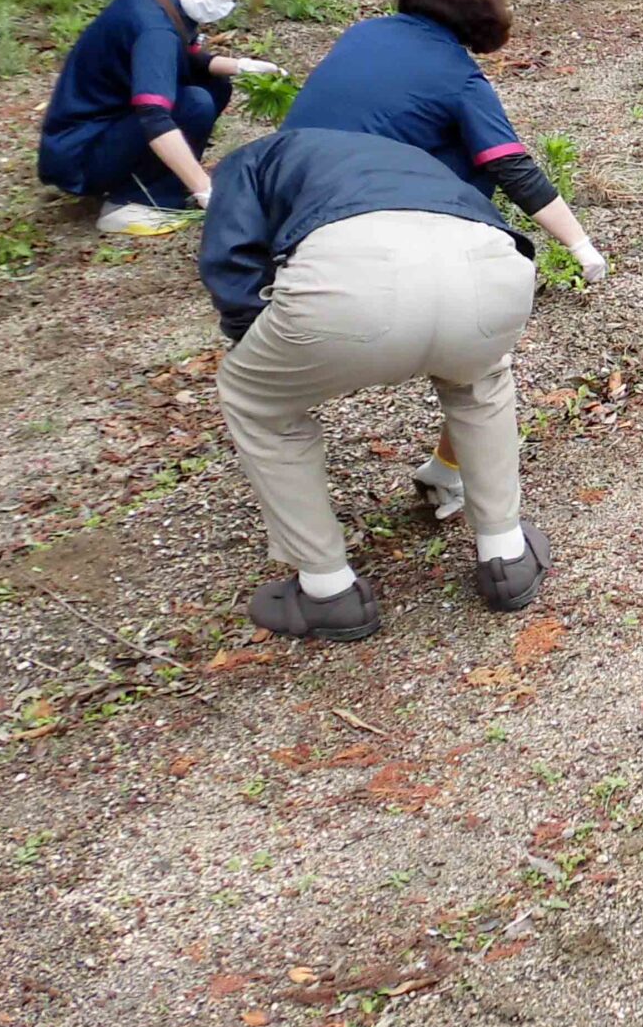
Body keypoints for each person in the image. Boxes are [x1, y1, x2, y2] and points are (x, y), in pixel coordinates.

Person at [284, 0, 606, 521]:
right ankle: (462, 482)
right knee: (481, 354)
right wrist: (581, 245)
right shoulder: (458, 76)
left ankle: (314, 532)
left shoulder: (361, 35)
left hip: (290, 212)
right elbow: (513, 167)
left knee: (267, 396)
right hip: (381, 234)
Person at [201, 128, 555, 642]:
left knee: (257, 401)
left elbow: (231, 263)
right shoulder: (409, 151)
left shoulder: (251, 159)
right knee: (481, 378)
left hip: (351, 278)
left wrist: (273, 343)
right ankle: (507, 554)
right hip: (491, 263)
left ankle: (327, 591)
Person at [37, 0, 283, 237]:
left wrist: (241, 67)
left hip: (89, 135)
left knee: (215, 85)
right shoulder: (154, 28)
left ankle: (149, 180)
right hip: (80, 155)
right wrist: (206, 190)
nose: (226, 5)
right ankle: (135, 202)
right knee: (194, 104)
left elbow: (187, 57)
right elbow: (154, 117)